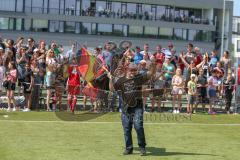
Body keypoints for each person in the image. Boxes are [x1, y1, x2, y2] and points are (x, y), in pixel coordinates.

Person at [109, 56, 156, 156]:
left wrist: (153, 63)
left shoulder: (138, 78)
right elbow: (112, 89)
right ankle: (129, 148)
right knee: (126, 128)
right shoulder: (121, 80)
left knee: (138, 127)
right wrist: (111, 79)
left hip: (137, 107)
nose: (133, 72)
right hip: (125, 108)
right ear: (127, 70)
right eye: (131, 70)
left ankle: (142, 147)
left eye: (135, 70)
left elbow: (151, 73)